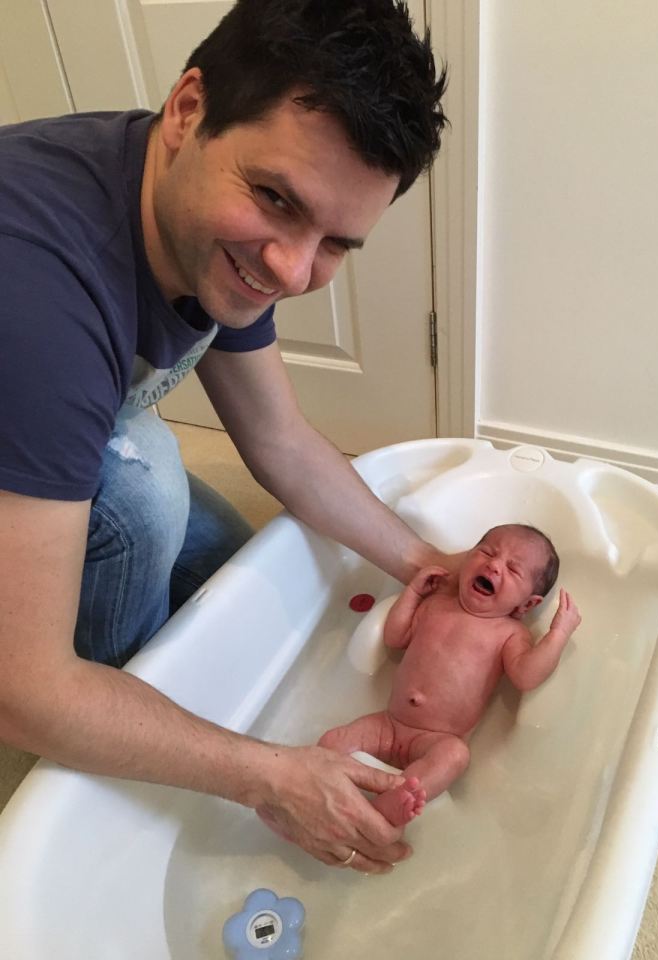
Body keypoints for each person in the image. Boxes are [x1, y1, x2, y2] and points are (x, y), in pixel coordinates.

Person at [0, 1, 450, 875]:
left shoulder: (200, 219)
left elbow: (279, 440)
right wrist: (269, 778)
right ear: (187, 110)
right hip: (28, 386)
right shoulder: (38, 298)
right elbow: (23, 688)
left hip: (43, 413)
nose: (292, 268)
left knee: (235, 568)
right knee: (144, 500)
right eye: (277, 199)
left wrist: (426, 563)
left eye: (335, 242)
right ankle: (87, 786)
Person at [317, 524, 582, 826]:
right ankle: (323, 789)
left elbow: (527, 676)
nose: (494, 565)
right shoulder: (435, 605)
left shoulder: (509, 633)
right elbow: (394, 636)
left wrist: (559, 633)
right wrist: (413, 592)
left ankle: (389, 807)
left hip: (436, 739)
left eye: (512, 569)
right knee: (331, 741)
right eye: (487, 552)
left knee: (455, 756)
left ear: (527, 604)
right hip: (388, 723)